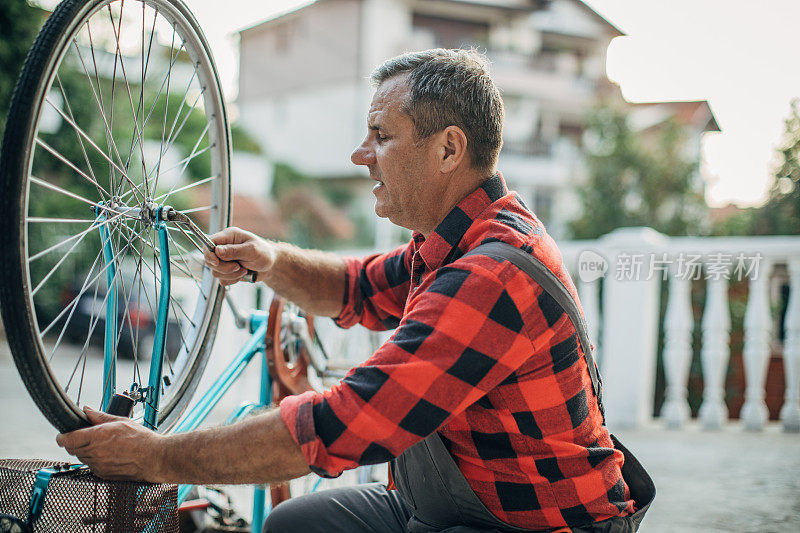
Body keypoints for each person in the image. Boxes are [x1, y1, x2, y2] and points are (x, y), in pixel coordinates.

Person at [57, 49, 651, 532]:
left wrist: (157, 457)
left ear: (448, 148)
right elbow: (357, 288)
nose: (360, 155)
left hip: (538, 526)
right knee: (296, 525)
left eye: (381, 136)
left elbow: (345, 423)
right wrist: (269, 260)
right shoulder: (455, 239)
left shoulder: (492, 276)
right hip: (450, 508)